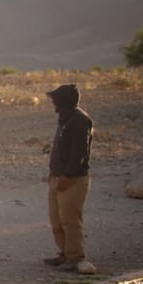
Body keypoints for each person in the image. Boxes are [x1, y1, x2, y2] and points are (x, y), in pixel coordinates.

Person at [43, 83, 95, 274]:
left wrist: (67, 174)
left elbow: (80, 152)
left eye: (55, 100)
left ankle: (75, 257)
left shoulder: (80, 120)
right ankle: (65, 253)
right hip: (58, 177)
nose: (53, 103)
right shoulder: (65, 119)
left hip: (72, 179)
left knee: (70, 219)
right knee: (56, 219)